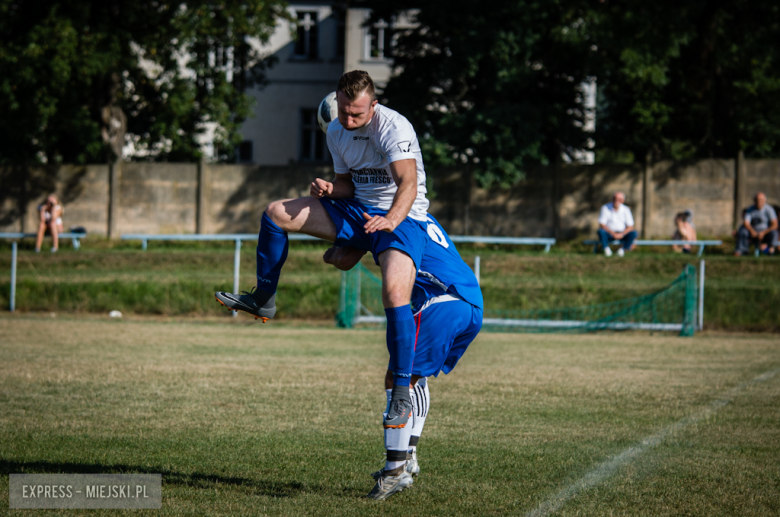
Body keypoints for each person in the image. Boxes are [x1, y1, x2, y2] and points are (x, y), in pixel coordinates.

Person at [215, 70, 430, 430]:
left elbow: (408, 183)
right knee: (275, 213)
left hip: (402, 218)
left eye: (357, 114)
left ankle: (401, 392)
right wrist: (331, 190)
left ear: (374, 106)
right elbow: (350, 183)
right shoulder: (335, 129)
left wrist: (391, 220)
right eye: (344, 111)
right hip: (358, 210)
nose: (348, 120)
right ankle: (263, 298)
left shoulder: (394, 128)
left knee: (394, 292)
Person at [323, 213, 483, 501]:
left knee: (399, 376)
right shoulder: (418, 212)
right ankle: (407, 456)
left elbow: (342, 259)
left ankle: (395, 470)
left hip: (442, 299)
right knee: (416, 378)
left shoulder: (381, 215)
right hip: (468, 300)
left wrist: (330, 246)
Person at [734, 192, 778, 256]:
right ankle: (742, 251)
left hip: (766, 233)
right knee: (743, 230)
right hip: (753, 233)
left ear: (764, 201)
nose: (759, 202)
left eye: (761, 200)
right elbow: (746, 223)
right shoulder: (750, 209)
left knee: (774, 232)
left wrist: (763, 233)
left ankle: (771, 251)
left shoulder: (769, 209)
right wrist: (752, 231)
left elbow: (774, 224)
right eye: (757, 200)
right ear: (754, 200)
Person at [597, 192, 637, 257]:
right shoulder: (605, 208)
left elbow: (630, 226)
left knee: (634, 233)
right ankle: (606, 249)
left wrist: (622, 234)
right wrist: (613, 233)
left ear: (623, 201)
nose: (616, 201)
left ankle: (623, 250)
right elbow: (602, 224)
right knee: (601, 232)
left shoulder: (626, 209)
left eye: (619, 199)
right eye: (615, 198)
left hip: (622, 234)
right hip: (609, 234)